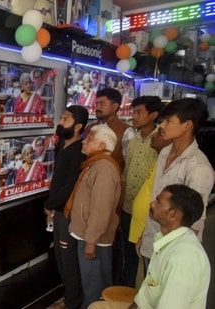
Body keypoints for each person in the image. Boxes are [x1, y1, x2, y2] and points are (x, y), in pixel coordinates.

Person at [89, 185, 211, 309]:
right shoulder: (167, 241)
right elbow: (146, 295)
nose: (152, 204)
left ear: (173, 215)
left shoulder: (182, 260)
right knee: (96, 306)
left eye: (158, 202)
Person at [139, 98, 215, 267]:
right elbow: (156, 197)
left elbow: (194, 220)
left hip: (172, 252)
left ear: (187, 125)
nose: (162, 126)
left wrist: (177, 258)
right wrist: (145, 234)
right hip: (152, 239)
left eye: (168, 121)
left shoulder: (198, 167)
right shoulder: (165, 152)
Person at [65, 124, 122, 308]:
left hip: (94, 239)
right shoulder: (95, 163)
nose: (84, 140)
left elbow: (101, 208)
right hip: (89, 235)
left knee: (94, 285)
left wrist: (91, 241)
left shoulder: (103, 168)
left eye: (89, 138)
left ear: (101, 145)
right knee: (91, 282)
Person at [84, 88, 133, 285]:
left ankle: (113, 286)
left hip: (112, 192)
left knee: (111, 240)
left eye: (101, 103)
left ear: (115, 106)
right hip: (90, 191)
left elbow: (128, 165)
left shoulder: (126, 131)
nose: (97, 107)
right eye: (96, 103)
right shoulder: (91, 129)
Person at [43, 105, 89, 309]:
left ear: (78, 126)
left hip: (67, 212)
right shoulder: (62, 143)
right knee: (61, 259)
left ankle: (73, 302)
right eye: (61, 117)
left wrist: (50, 204)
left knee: (69, 261)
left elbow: (69, 186)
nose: (60, 121)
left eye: (66, 119)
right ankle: (69, 297)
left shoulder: (79, 150)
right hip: (57, 210)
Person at [120, 95, 165, 288]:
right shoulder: (133, 140)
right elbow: (126, 173)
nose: (134, 116)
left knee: (148, 254)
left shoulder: (161, 142)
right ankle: (128, 291)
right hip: (129, 207)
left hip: (150, 210)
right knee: (128, 252)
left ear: (153, 114)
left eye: (139, 112)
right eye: (133, 111)